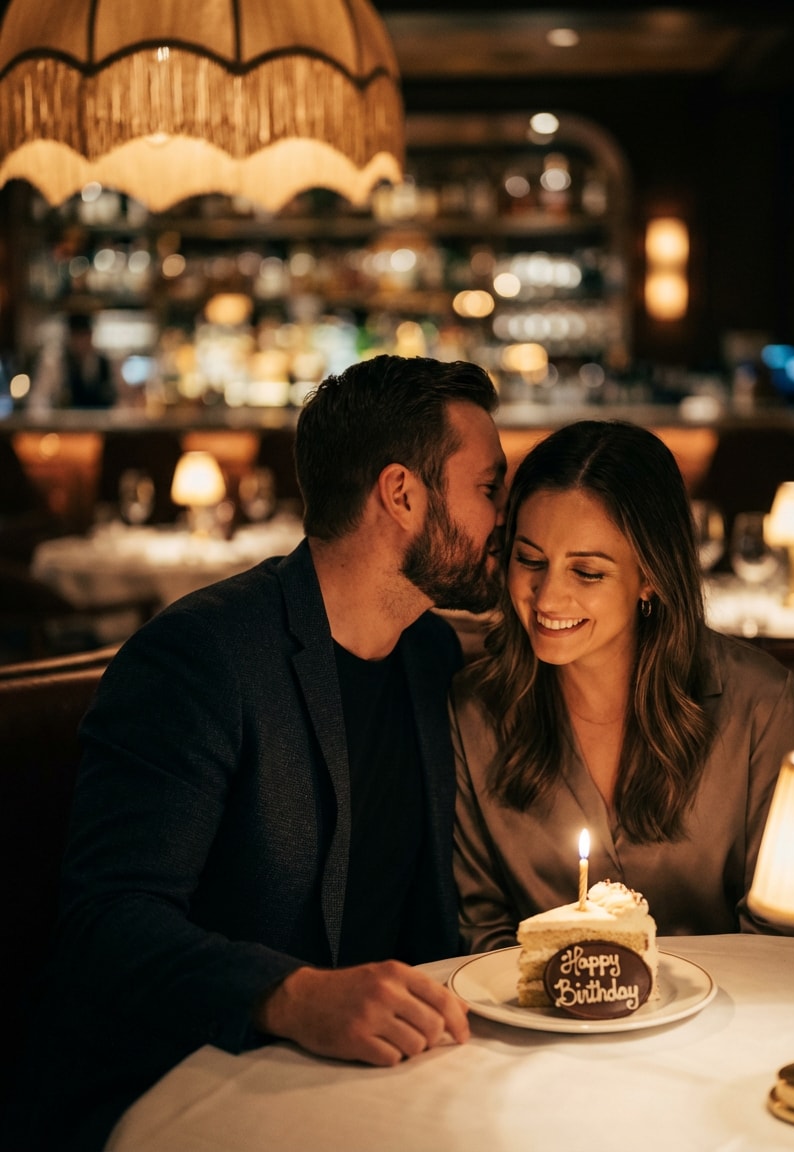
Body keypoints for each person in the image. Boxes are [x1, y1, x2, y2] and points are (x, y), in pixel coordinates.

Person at [4, 355, 508, 1152]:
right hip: (188, 1085)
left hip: (377, 1087)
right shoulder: (199, 659)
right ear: (402, 494)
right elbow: (107, 924)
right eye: (489, 488)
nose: (502, 520)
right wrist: (293, 996)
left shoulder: (430, 655)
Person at [452, 420, 794, 953]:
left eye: (587, 573)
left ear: (650, 576)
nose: (547, 598)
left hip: (724, 1025)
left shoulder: (759, 705)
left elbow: (783, 934)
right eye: (530, 560)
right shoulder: (476, 709)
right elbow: (482, 929)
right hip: (540, 1027)